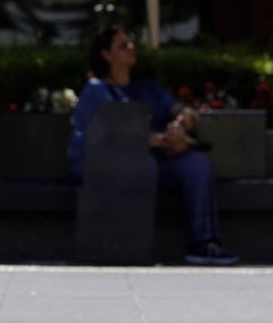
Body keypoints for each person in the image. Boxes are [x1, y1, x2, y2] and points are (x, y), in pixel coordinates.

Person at [68, 26, 238, 266]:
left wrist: (181, 125)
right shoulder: (97, 90)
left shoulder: (147, 88)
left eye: (131, 43)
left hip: (154, 159)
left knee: (195, 165)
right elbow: (112, 133)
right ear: (106, 55)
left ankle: (204, 243)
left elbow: (185, 111)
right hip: (111, 166)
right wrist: (164, 141)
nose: (131, 48)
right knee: (146, 166)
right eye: (122, 45)